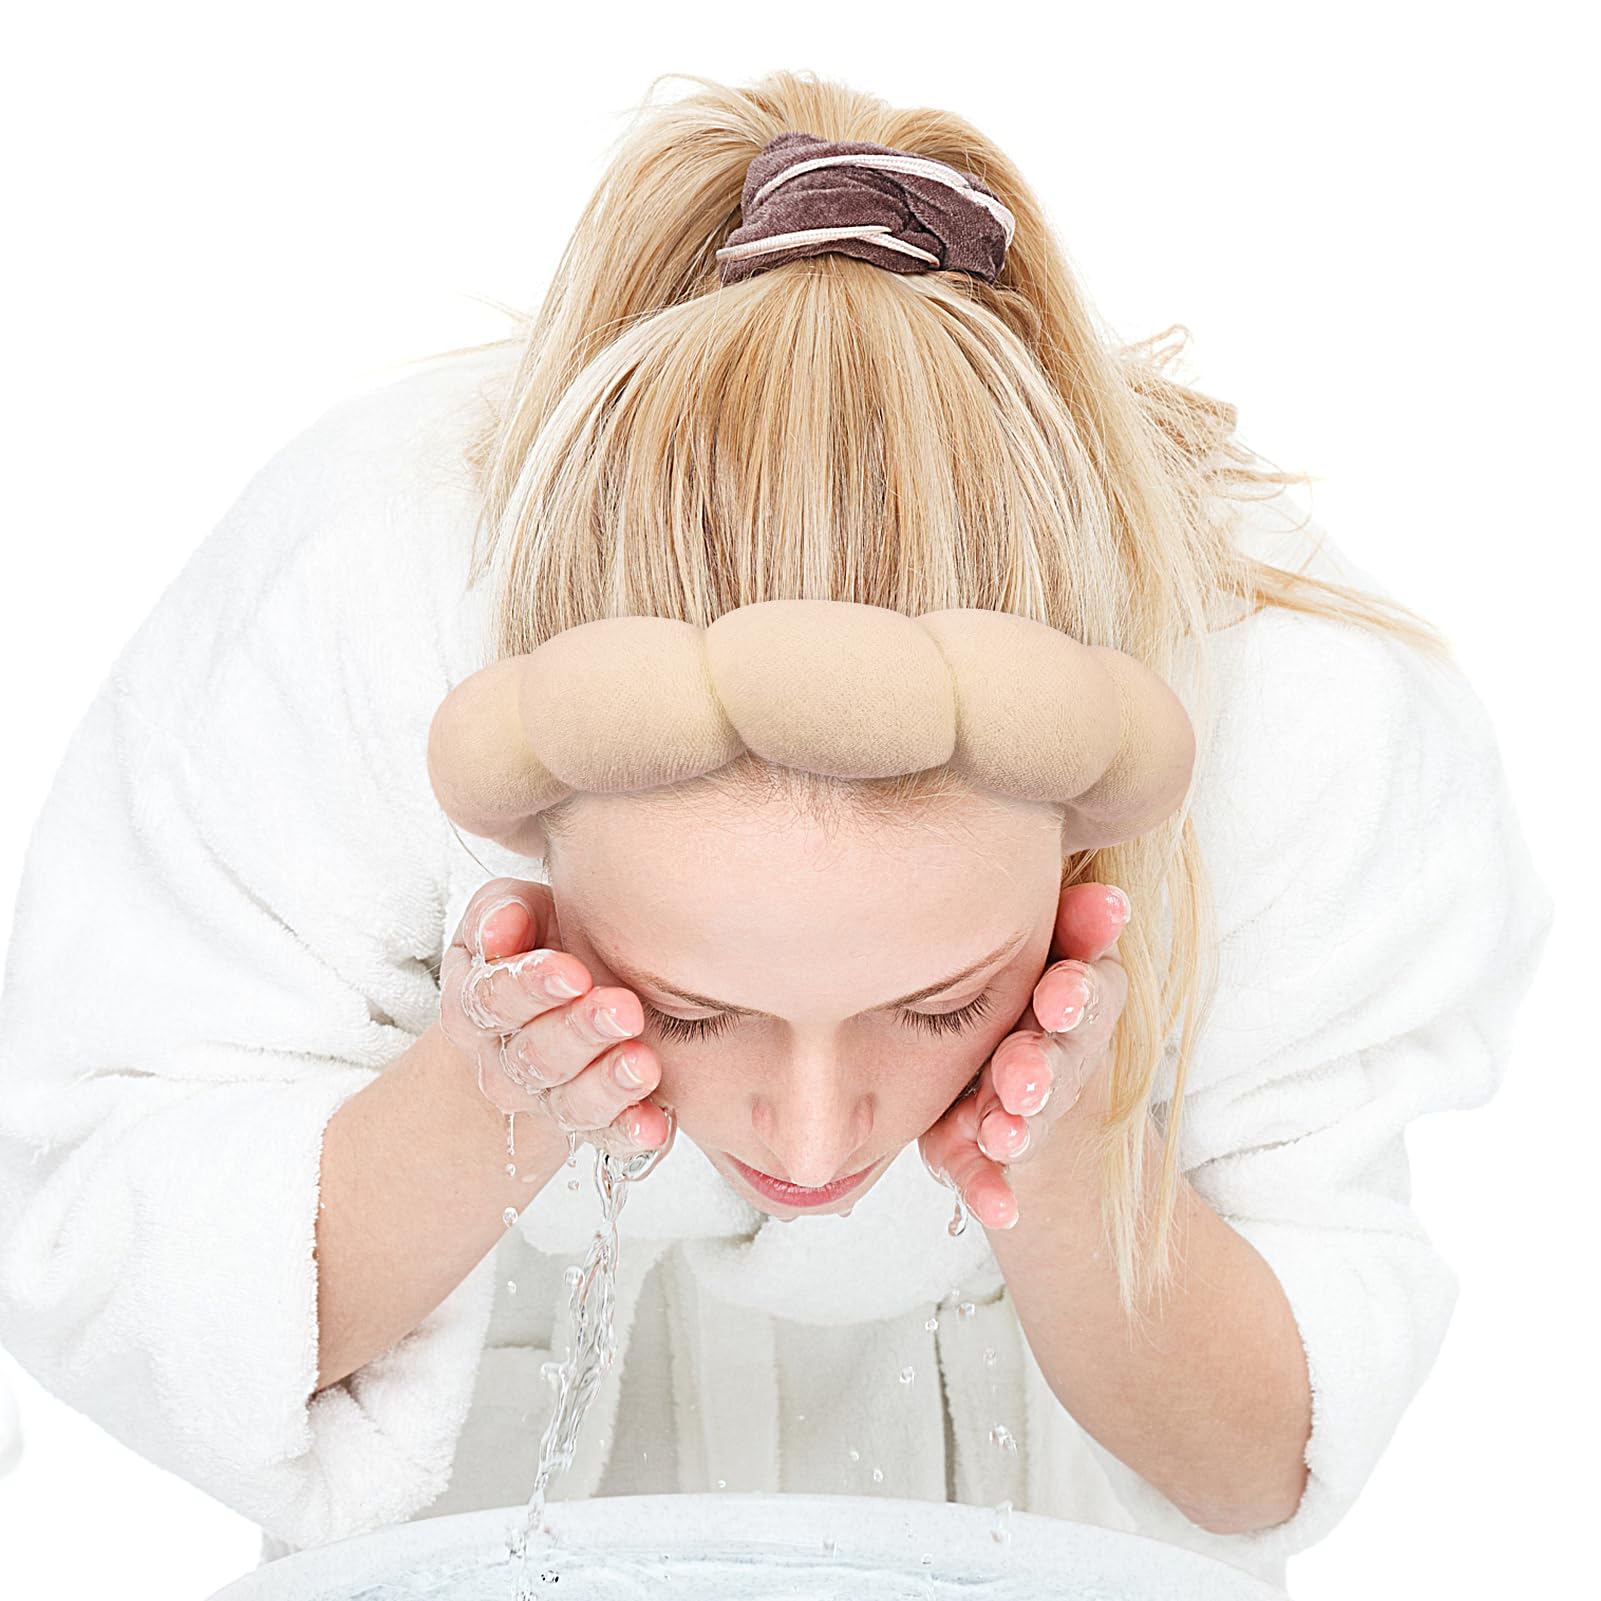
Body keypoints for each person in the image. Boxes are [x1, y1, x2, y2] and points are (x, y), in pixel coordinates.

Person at [0, 69, 1553, 1593]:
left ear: (1084, 854)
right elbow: (119, 1284)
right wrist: (485, 1096)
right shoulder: (352, 602)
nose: (811, 1142)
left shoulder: (1304, 710)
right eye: (686, 1007)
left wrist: (1069, 1160)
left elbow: (1261, 1467)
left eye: (941, 1000)